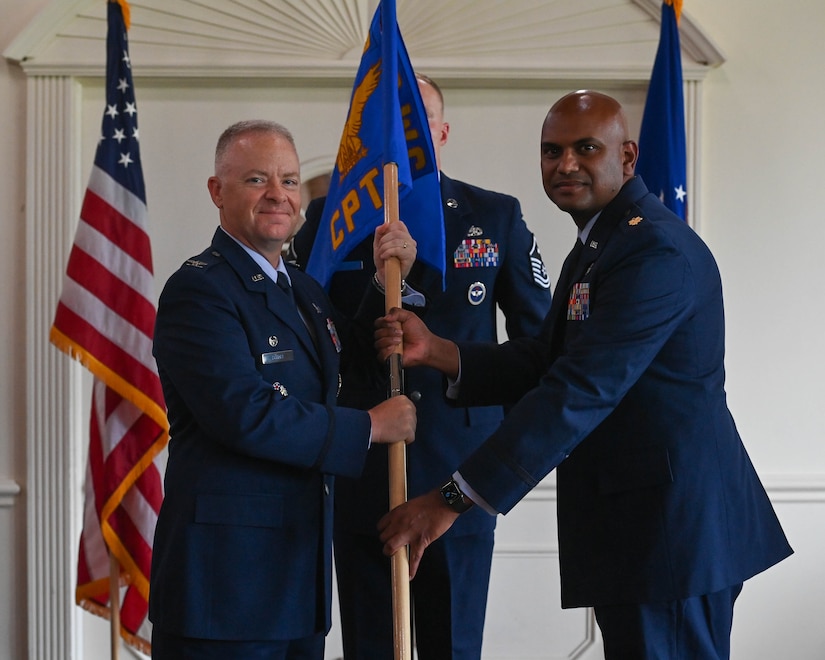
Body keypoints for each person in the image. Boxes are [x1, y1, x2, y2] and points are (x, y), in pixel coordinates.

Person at [375, 91, 793, 660]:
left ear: (626, 157)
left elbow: (579, 389)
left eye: (585, 148)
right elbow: (548, 359)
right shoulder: (602, 243)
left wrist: (451, 498)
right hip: (643, 530)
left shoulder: (653, 251)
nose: (564, 164)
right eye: (551, 150)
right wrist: (442, 351)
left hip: (671, 535)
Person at [291, 74, 552, 659]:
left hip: (458, 480)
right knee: (372, 646)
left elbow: (539, 350)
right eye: (388, 131)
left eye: (416, 127)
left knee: (453, 645)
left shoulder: (495, 216)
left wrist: (502, 448)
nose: (403, 142)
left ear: (442, 131)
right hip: (362, 474)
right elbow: (312, 343)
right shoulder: (329, 220)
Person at [149, 120, 418, 659]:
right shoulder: (199, 290)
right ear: (216, 191)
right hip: (225, 590)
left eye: (290, 181)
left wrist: (390, 280)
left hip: (297, 581)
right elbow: (244, 414)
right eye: (257, 180)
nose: (278, 194)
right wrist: (370, 426)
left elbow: (342, 367)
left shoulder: (302, 288)